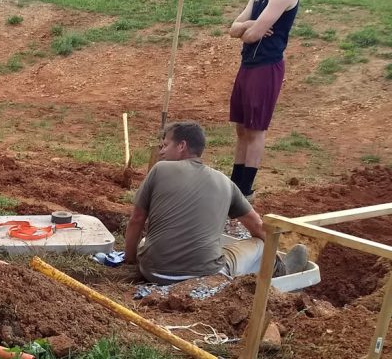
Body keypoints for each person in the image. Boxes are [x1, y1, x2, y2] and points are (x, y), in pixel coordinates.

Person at [124, 120, 308, 285]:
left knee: (145, 241)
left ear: (182, 146)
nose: (161, 151)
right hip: (205, 276)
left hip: (153, 272)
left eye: (165, 145)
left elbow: (137, 219)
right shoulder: (225, 183)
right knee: (260, 245)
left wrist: (130, 260)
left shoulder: (159, 170)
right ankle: (283, 271)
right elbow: (259, 228)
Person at [227, 0, 301, 202]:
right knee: (241, 128)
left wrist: (247, 28)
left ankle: (245, 190)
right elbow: (235, 28)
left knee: (256, 129)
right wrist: (249, 26)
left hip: (266, 66)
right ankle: (235, 185)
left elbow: (251, 35)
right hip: (247, 65)